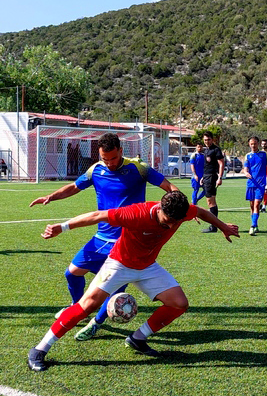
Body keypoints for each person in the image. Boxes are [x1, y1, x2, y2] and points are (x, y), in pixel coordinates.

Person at [27, 190, 239, 371]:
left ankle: (138, 338)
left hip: (147, 266)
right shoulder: (135, 214)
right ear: (158, 209)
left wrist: (223, 226)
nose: (170, 226)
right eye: (167, 221)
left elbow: (200, 211)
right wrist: (62, 227)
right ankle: (39, 349)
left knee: (179, 303)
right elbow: (98, 215)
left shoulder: (180, 212)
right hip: (119, 264)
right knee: (87, 305)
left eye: (175, 222)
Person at [29, 133, 178, 341]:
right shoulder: (96, 170)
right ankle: (77, 307)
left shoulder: (138, 168)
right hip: (101, 237)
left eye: (113, 159)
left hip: (126, 241)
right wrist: (50, 197)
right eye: (104, 159)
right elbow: (74, 187)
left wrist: (182, 208)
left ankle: (96, 322)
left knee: (115, 287)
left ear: (121, 151)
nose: (108, 163)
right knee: (72, 273)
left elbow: (169, 188)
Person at [243, 137, 267, 236]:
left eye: (255, 144)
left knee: (256, 205)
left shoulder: (264, 155)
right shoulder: (248, 156)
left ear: (258, 144)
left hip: (260, 184)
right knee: (252, 206)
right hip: (251, 184)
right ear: (249, 144)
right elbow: (245, 168)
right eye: (251, 144)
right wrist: (246, 173)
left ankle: (253, 226)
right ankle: (255, 225)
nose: (253, 145)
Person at [200, 131, 225, 232]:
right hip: (206, 176)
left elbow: (221, 163)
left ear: (212, 139)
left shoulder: (216, 150)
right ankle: (213, 225)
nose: (207, 142)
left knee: (210, 202)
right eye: (205, 140)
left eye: (209, 140)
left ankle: (213, 226)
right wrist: (202, 177)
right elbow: (207, 166)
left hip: (211, 177)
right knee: (211, 201)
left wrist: (220, 177)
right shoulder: (206, 150)